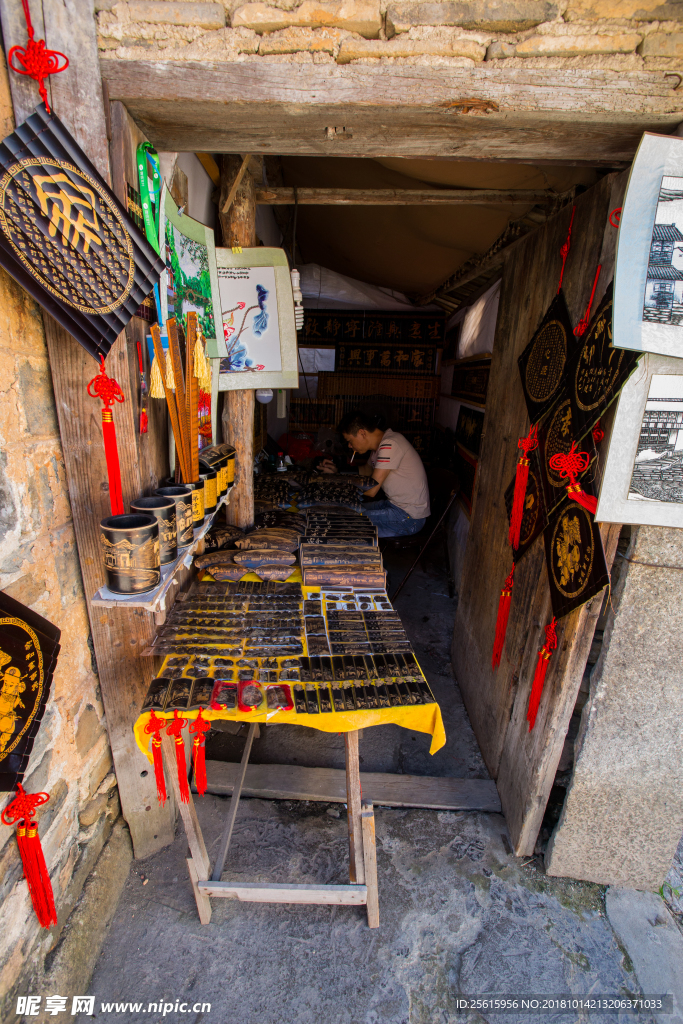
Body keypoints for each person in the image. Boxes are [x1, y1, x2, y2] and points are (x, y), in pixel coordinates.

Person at [319, 411, 430, 538]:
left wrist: (337, 480)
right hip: (394, 506)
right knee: (347, 508)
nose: (350, 446)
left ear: (362, 433)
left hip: (409, 517)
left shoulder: (390, 445)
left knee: (343, 520)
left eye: (350, 441)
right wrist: (338, 471)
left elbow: (371, 490)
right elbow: (366, 470)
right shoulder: (381, 445)